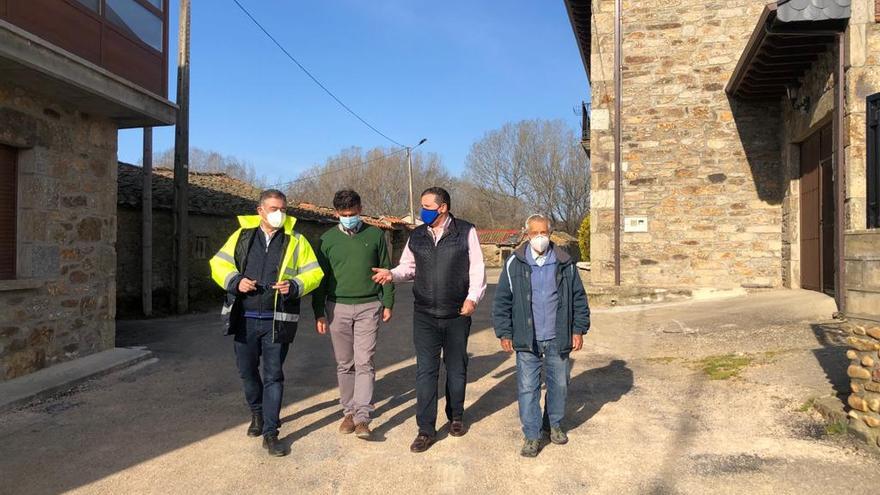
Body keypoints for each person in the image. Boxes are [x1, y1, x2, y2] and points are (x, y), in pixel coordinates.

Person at [209, 189, 324, 457]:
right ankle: (258, 414)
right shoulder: (241, 237)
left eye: (283, 209)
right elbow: (218, 264)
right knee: (247, 372)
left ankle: (271, 433)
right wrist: (237, 281)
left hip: (278, 319)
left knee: (274, 375)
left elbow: (314, 272)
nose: (279, 214)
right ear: (260, 210)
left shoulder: (296, 240)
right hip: (245, 318)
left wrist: (295, 285)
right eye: (273, 208)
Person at [372, 187, 486, 453]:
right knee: (426, 371)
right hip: (424, 315)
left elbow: (477, 268)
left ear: (443, 207)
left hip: (457, 313)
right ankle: (425, 430)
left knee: (456, 368)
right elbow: (408, 268)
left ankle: (456, 416)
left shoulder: (465, 231)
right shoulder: (417, 236)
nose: (422, 210)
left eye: (427, 206)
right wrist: (391, 274)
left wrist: (473, 299)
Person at [491, 214, 590, 458]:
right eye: (534, 233)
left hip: (558, 334)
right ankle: (532, 435)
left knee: (559, 385)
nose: (539, 237)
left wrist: (578, 329)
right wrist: (505, 332)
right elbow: (502, 300)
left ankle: (553, 424)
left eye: (543, 232)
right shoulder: (515, 263)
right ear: (527, 234)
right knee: (527, 388)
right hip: (527, 337)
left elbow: (579, 298)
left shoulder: (565, 262)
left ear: (550, 233)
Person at [312, 189, 394, 440]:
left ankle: (362, 418)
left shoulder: (375, 235)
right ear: (336, 213)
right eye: (344, 214)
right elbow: (319, 279)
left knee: (364, 361)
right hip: (337, 307)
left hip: (369, 305)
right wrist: (318, 312)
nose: (349, 217)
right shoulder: (326, 240)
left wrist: (388, 301)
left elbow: (385, 269)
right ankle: (348, 411)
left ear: (360, 209)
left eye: (353, 213)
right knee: (344, 363)